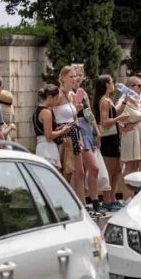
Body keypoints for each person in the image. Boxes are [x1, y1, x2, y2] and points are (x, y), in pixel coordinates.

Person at [94, 75, 130, 210]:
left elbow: (114, 114)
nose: (113, 84)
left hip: (113, 137)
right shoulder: (104, 101)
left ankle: (113, 198)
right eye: (111, 82)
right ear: (106, 84)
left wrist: (125, 102)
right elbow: (104, 122)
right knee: (109, 170)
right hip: (108, 138)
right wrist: (119, 118)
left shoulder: (108, 100)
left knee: (116, 170)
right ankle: (107, 200)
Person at [54, 66, 87, 203]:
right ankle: (64, 203)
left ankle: (81, 205)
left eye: (76, 76)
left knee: (79, 171)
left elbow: (75, 119)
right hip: (64, 136)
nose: (75, 79)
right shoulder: (58, 95)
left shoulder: (72, 95)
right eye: (71, 76)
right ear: (62, 78)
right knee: (66, 171)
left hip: (74, 133)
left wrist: (80, 138)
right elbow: (48, 113)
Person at [72, 64, 101, 211]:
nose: (77, 78)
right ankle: (83, 204)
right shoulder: (68, 94)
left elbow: (89, 114)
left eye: (80, 75)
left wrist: (96, 131)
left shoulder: (83, 93)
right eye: (75, 75)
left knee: (85, 170)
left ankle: (92, 202)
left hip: (87, 130)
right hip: (78, 130)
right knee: (91, 168)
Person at [119, 77, 141, 203]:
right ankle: (126, 196)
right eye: (138, 85)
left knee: (136, 165)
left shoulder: (138, 100)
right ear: (130, 87)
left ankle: (133, 195)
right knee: (129, 165)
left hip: (139, 133)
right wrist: (122, 127)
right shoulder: (123, 100)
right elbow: (115, 114)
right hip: (130, 134)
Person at [33, 84, 72, 169]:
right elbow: (49, 136)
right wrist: (63, 131)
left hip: (40, 147)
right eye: (56, 98)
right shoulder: (47, 112)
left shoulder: (37, 109)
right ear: (50, 97)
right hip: (47, 148)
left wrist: (58, 129)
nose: (57, 101)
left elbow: (43, 130)